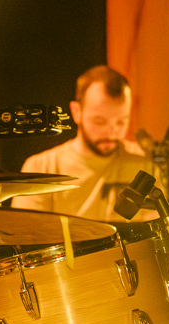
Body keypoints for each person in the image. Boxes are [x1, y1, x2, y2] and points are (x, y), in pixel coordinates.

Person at [13, 65, 157, 221]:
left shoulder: (146, 164)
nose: (112, 132)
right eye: (100, 121)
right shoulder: (42, 168)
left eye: (121, 122)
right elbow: (26, 237)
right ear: (76, 112)